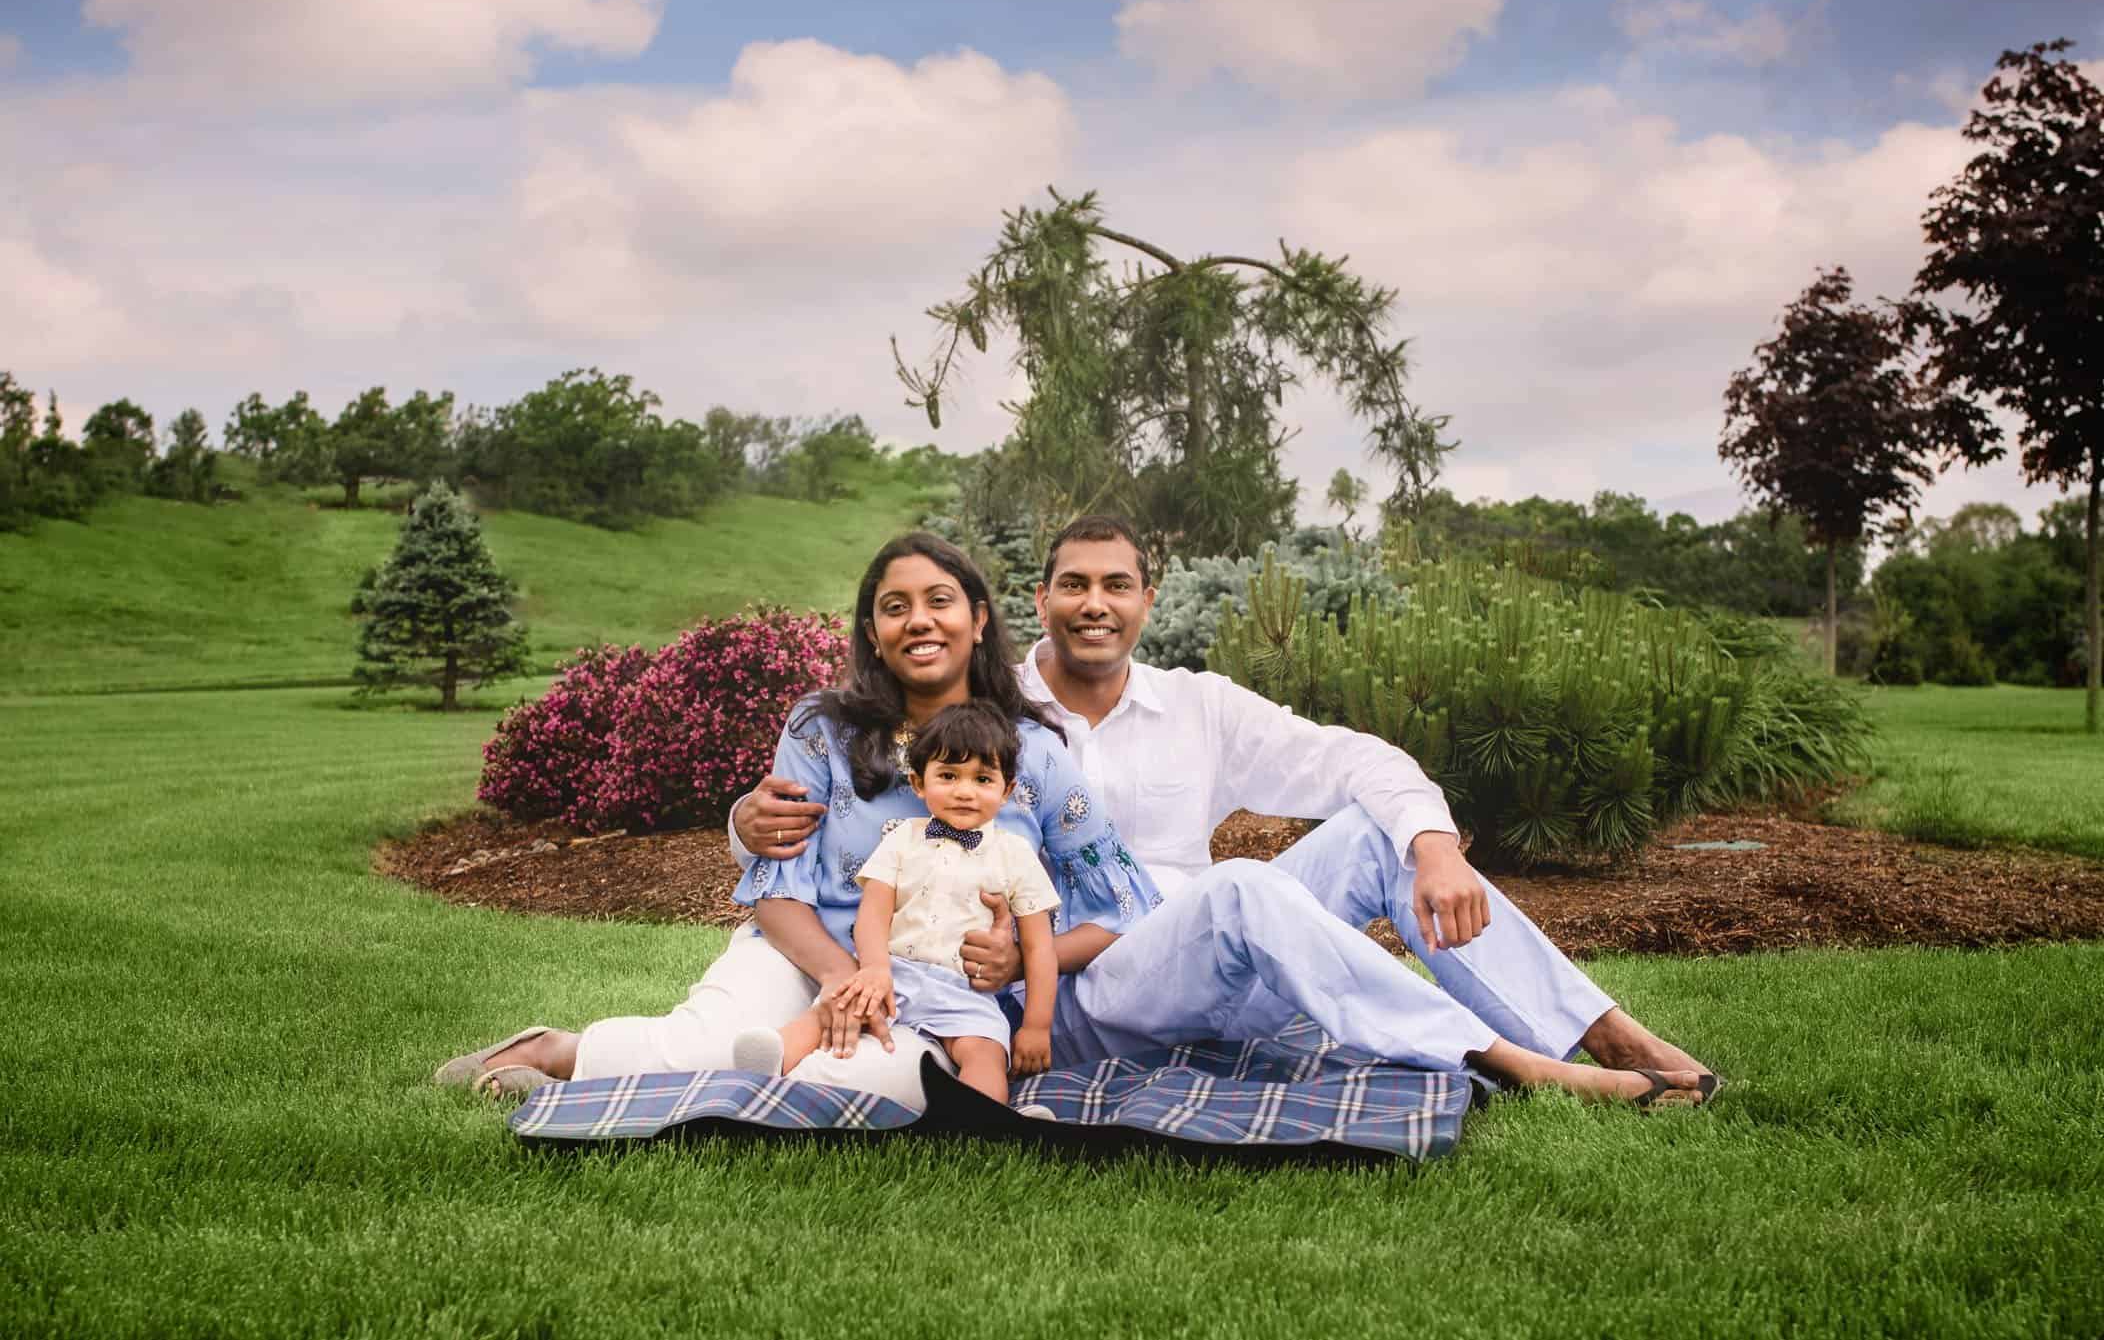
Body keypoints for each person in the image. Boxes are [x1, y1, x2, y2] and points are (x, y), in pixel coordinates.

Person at [729, 528, 1715, 1108]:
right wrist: (745, 822)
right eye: (1072, 584)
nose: (1094, 604)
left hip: (1208, 944)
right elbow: (857, 831)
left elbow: (1349, 762)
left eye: (1117, 584)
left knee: (1373, 836)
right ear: (1033, 603)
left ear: (1148, 600)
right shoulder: (989, 719)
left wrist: (1435, 843)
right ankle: (1501, 1064)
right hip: (1097, 981)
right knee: (1240, 886)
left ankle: (1603, 1033)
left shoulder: (1195, 704)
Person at [435, 531, 1157, 1106]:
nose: (919, 620)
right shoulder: (822, 730)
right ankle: (554, 1052)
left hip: (939, 994)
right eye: (894, 605)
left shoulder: (1033, 753)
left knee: (861, 1083)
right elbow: (777, 887)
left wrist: (1025, 960)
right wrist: (850, 976)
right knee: (715, 1043)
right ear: (873, 632)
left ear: (977, 618)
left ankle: (666, 1086)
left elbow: (1123, 906)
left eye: (940, 599)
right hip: (802, 954)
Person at [729, 701, 1061, 1113]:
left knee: (984, 1052)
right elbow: (873, 914)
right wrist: (874, 969)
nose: (964, 790)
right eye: (948, 776)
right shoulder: (902, 839)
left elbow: (1038, 946)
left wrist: (1036, 1025)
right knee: (839, 1005)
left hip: (964, 992)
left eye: (982, 778)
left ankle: (986, 1118)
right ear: (919, 784)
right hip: (896, 973)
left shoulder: (1015, 855)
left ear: (1006, 789)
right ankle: (773, 1056)